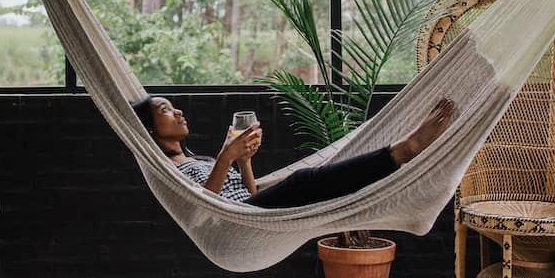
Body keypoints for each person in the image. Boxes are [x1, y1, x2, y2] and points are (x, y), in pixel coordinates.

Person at [130, 96, 457, 209]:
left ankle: (398, 152)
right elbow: (203, 205)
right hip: (236, 218)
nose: (178, 112)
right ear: (148, 128)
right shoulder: (168, 171)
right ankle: (403, 150)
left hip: (246, 209)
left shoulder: (196, 161)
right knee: (302, 181)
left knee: (315, 176)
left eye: (174, 108)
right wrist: (227, 156)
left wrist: (243, 161)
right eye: (165, 110)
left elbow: (250, 192)